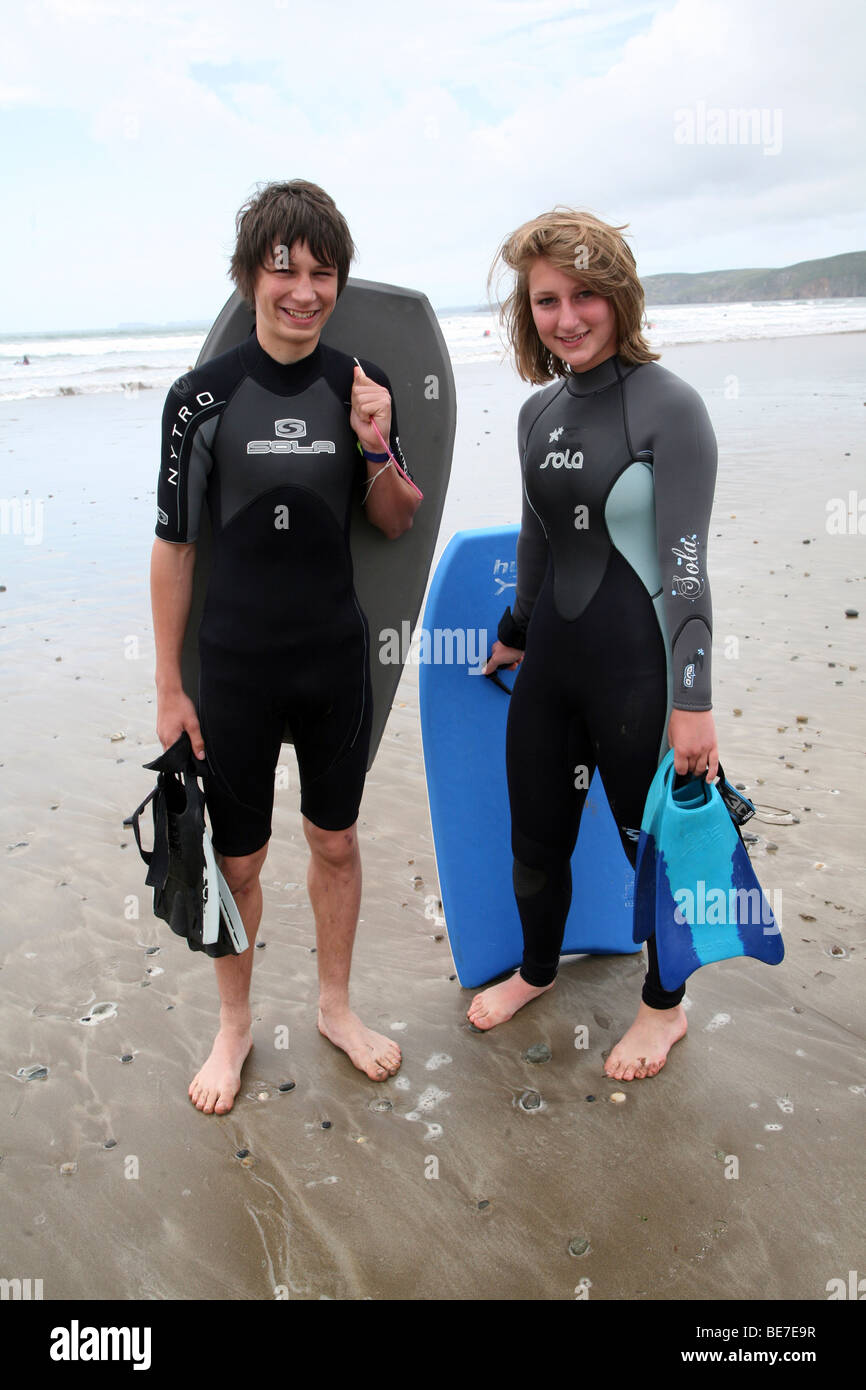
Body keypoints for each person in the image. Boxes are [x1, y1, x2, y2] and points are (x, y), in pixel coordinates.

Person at [150, 180, 421, 1114]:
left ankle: (336, 1008)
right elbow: (175, 547)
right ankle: (234, 1026)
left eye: (321, 272)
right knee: (237, 862)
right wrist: (168, 687)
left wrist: (377, 441)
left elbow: (394, 520)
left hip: (332, 658)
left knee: (335, 841)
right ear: (249, 277)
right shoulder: (199, 399)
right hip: (235, 667)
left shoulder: (361, 385)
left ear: (338, 281)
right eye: (284, 270)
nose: (303, 290)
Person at [471, 208, 718, 1081]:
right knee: (534, 842)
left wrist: (694, 704)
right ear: (526, 310)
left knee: (655, 852)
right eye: (547, 300)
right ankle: (538, 970)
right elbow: (537, 540)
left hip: (638, 675)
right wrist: (513, 633)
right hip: (552, 669)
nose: (567, 317)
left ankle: (665, 1007)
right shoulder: (537, 413)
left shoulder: (670, 407)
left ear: (618, 296)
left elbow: (685, 569)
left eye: (585, 296)